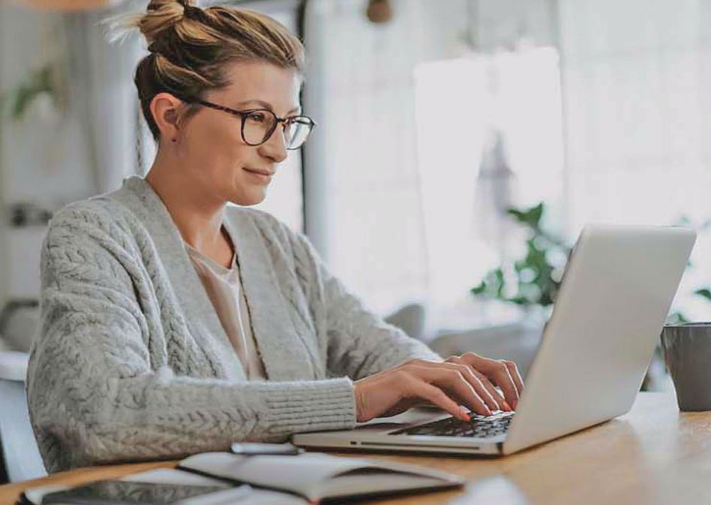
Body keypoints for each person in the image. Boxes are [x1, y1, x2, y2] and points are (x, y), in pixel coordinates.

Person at [27, 0, 524, 473]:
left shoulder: (277, 245)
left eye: (287, 124)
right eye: (257, 119)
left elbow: (382, 352)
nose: (280, 151)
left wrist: (447, 380)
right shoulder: (92, 235)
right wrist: (353, 400)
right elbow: (109, 411)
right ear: (171, 116)